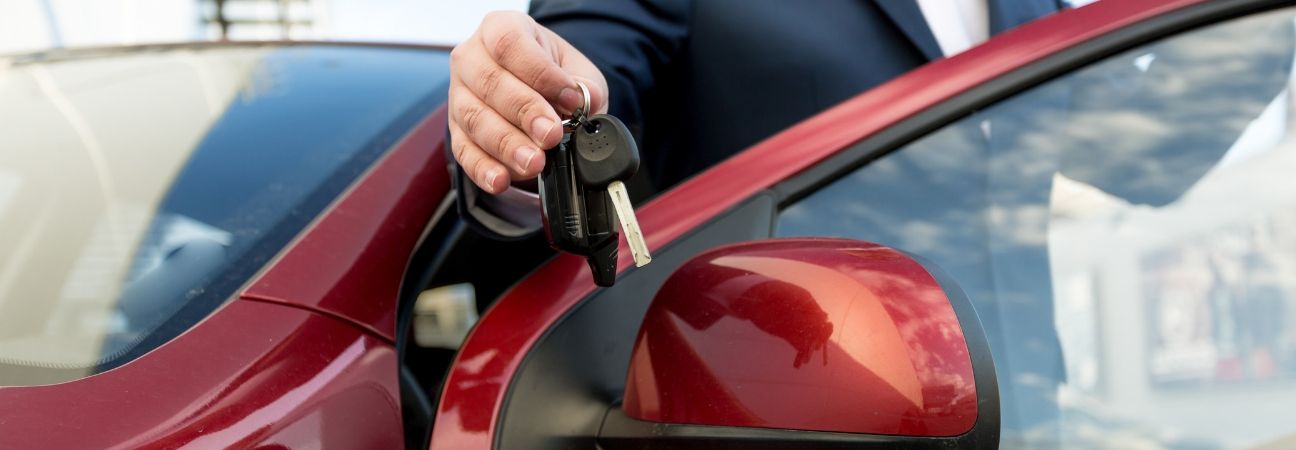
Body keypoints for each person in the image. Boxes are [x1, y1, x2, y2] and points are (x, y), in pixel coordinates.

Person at [447, 0, 1065, 201]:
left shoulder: (1037, 5)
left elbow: (1132, 158)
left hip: (1033, 408)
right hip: (785, 403)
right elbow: (577, 72)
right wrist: (524, 91)